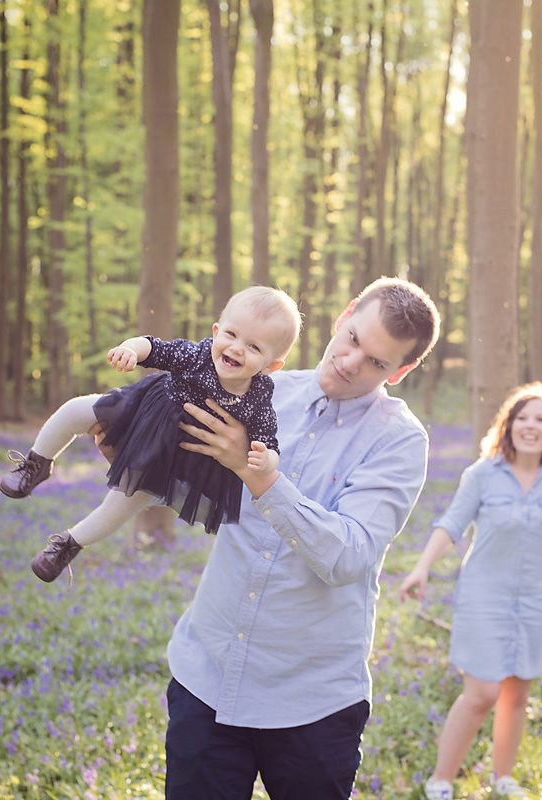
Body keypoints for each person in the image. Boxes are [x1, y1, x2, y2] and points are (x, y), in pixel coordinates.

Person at [161, 277, 440, 799]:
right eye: (354, 338)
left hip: (313, 702)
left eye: (378, 362)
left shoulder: (399, 440)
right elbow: (189, 483)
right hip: (209, 672)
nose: (353, 361)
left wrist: (260, 475)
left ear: (400, 372)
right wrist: (132, 450)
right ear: (344, 314)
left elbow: (347, 556)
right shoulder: (260, 390)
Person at [400, 382, 542, 800]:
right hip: (484, 597)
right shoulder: (482, 474)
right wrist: (421, 568)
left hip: (537, 598)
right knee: (481, 694)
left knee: (516, 694)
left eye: (540, 419)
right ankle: (441, 781)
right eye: (523, 417)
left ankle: (502, 778)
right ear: (508, 425)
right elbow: (451, 523)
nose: (530, 425)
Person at [0, 286, 301, 582]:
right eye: (232, 335)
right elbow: (153, 347)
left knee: (122, 503)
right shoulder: (196, 356)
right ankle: (36, 463)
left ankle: (67, 545)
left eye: (254, 347)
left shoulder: (258, 397)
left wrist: (267, 460)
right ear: (215, 332)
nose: (237, 348)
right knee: (76, 410)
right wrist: (131, 350)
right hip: (141, 412)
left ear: (272, 365)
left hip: (169, 455)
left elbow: (267, 438)